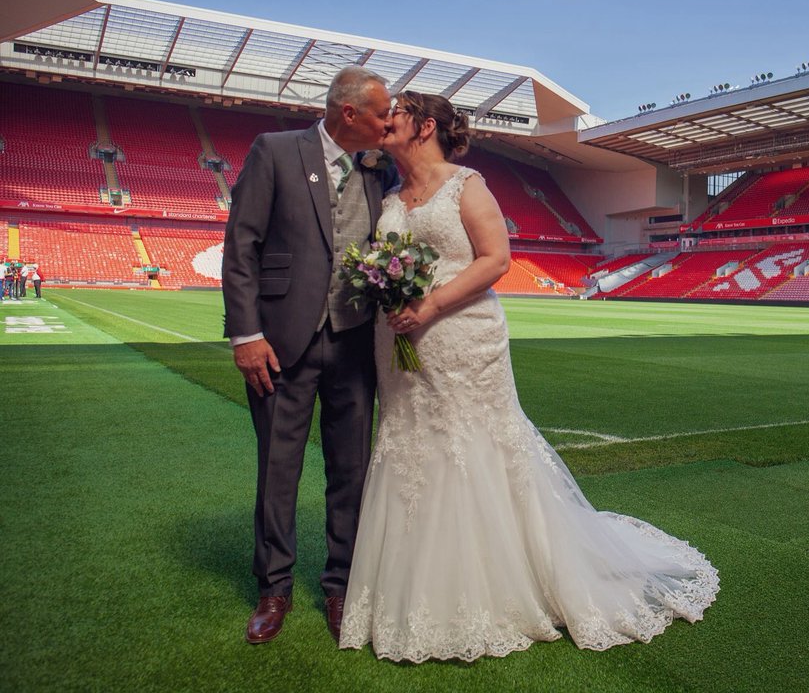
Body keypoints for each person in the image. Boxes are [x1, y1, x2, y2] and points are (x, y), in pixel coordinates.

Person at [339, 92, 718, 663]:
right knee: (413, 447)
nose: (386, 117)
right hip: (399, 341)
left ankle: (505, 579)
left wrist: (432, 305)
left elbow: (495, 259)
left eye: (398, 110)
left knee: (473, 446)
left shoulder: (468, 185)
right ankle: (419, 578)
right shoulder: (388, 194)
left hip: (461, 334)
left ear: (425, 126)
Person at [222, 66, 399, 645]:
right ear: (349, 113)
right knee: (278, 470)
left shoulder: (381, 167)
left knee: (351, 471)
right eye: (381, 113)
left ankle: (341, 585)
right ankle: (274, 588)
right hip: (279, 343)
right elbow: (242, 244)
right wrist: (246, 335)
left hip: (354, 344)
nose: (389, 122)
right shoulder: (274, 151)